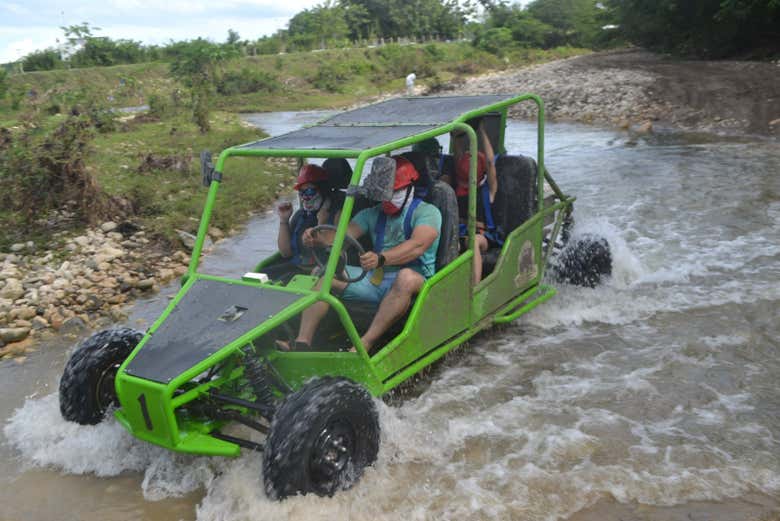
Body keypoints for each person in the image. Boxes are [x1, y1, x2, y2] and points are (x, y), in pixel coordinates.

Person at [281, 156, 442, 353]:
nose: (389, 197)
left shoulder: (428, 212)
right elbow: (342, 236)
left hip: (418, 280)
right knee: (325, 274)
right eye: (385, 193)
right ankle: (302, 343)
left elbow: (417, 245)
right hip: (375, 281)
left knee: (405, 277)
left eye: (394, 191)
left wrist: (381, 258)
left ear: (410, 187)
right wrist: (317, 238)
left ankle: (364, 344)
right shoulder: (372, 213)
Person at [264, 164, 339, 282]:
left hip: (321, 271)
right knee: (261, 274)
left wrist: (322, 221)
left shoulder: (336, 215)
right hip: (297, 267)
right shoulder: (301, 216)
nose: (305, 197)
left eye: (309, 191)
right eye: (302, 192)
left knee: (282, 282)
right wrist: (284, 220)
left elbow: (331, 248)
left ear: (323, 190)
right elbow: (286, 253)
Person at [453, 124, 499, 284]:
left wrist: (481, 129)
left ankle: (474, 288)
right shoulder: (455, 190)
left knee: (473, 242)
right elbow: (457, 152)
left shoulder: (487, 191)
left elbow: (491, 162)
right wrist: (457, 133)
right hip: (458, 233)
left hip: (482, 236)